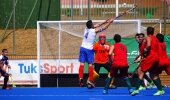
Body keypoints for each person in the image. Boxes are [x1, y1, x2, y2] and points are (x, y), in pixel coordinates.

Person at [78, 18, 114, 87]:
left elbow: (98, 25)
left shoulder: (86, 29)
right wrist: (109, 23)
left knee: (82, 64)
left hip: (82, 48)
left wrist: (105, 20)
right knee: (90, 65)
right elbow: (103, 28)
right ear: (91, 25)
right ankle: (91, 80)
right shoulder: (94, 31)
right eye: (92, 23)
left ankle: (80, 78)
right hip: (89, 49)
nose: (93, 24)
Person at [131, 27, 164, 96]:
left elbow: (148, 45)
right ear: (153, 32)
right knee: (153, 74)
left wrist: (146, 49)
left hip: (151, 57)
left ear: (147, 32)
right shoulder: (156, 39)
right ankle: (160, 90)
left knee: (141, 72)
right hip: (156, 58)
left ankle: (137, 89)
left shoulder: (148, 38)